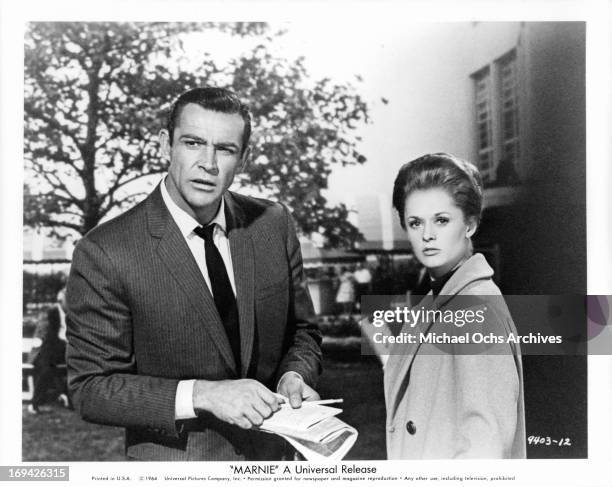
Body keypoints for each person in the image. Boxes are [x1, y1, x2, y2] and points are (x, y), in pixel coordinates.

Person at [66, 87, 322, 461]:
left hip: (276, 463)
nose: (209, 163)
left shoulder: (273, 225)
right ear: (164, 145)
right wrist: (203, 394)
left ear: (244, 159)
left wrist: (294, 376)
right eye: (193, 143)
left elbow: (303, 332)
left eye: (225, 149)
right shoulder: (105, 251)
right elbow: (91, 388)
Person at [384, 152, 525, 459]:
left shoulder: (476, 309)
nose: (428, 235)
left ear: (470, 225)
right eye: (415, 222)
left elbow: (485, 448)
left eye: (442, 220)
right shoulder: (440, 298)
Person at [28, 287, 70, 414]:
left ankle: (65, 395)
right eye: (70, 299)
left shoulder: (73, 314)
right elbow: (48, 337)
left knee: (79, 364)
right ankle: (35, 404)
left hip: (62, 351)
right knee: (46, 369)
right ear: (60, 300)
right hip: (44, 350)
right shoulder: (51, 313)